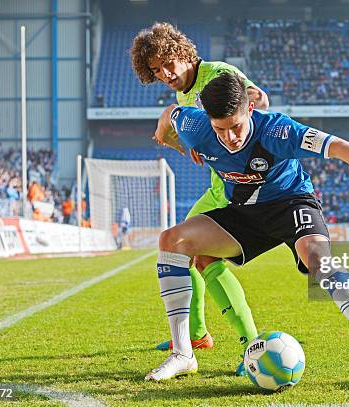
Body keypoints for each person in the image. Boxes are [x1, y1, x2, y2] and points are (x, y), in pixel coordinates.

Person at [146, 73, 349, 388]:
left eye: (236, 127)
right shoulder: (196, 127)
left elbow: (339, 147)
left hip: (291, 203)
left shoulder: (279, 131)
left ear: (251, 109)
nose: (229, 138)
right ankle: (183, 353)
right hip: (243, 214)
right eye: (220, 130)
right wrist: (171, 140)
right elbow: (169, 116)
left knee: (319, 260)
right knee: (173, 241)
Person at [131, 22, 267, 374]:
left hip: (242, 186)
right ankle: (196, 336)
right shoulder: (182, 96)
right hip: (218, 185)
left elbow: (256, 99)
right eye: (157, 71)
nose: (165, 74)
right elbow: (197, 139)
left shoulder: (217, 73)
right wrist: (181, 141)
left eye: (167, 64)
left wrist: (249, 101)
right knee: (178, 249)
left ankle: (251, 346)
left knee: (201, 256)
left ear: (182, 52)